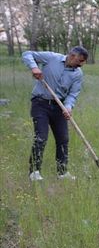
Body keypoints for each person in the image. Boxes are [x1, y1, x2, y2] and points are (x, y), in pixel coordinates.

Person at [22, 46, 89, 181]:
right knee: (41, 137)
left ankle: (62, 173)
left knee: (63, 139)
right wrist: (34, 67)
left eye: (83, 62)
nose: (81, 64)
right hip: (40, 103)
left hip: (59, 107)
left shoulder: (78, 74)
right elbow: (27, 54)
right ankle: (34, 172)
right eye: (80, 60)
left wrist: (68, 107)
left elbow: (73, 94)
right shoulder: (52, 57)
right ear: (71, 56)